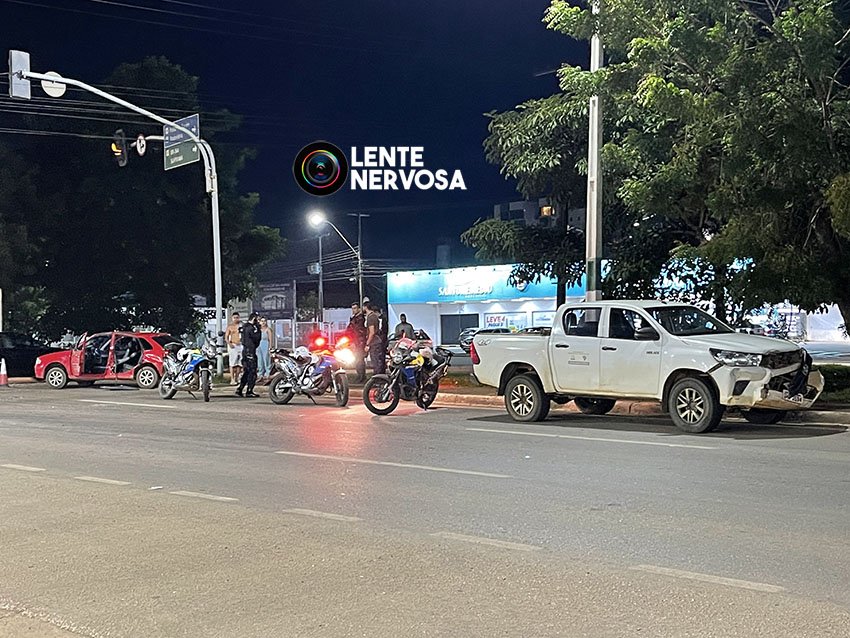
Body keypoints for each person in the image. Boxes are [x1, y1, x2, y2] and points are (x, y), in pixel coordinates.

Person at [237, 312, 261, 398]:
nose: (258, 322)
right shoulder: (252, 328)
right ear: (254, 319)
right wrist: (258, 328)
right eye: (257, 319)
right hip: (250, 351)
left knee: (246, 371)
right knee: (252, 371)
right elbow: (256, 338)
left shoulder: (244, 327)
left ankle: (240, 388)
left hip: (245, 350)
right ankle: (249, 390)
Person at [347, 302, 368, 383]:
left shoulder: (360, 318)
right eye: (352, 308)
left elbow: (357, 329)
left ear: (359, 309)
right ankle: (360, 376)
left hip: (360, 342)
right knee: (357, 360)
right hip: (355, 341)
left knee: (359, 360)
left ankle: (361, 376)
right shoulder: (354, 318)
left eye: (355, 308)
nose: (353, 310)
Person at [365, 302, 386, 376]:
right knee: (377, 361)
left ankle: (377, 379)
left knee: (375, 361)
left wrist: (367, 344)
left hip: (374, 342)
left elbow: (372, 332)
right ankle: (378, 377)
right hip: (377, 341)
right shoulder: (375, 316)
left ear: (365, 307)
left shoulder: (370, 317)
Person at [224, 312, 243, 385]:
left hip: (240, 345)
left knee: (240, 363)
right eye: (234, 318)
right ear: (232, 318)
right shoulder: (230, 327)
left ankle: (237, 377)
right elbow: (226, 337)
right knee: (232, 363)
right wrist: (229, 344)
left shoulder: (241, 326)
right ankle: (232, 379)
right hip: (233, 345)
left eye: (237, 317)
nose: (236, 319)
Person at [257, 317, 274, 384]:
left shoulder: (268, 330)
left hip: (266, 344)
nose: (263, 322)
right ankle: (260, 374)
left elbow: (270, 340)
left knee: (266, 359)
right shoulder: (258, 330)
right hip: (259, 345)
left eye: (264, 321)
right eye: (262, 321)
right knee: (260, 360)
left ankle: (267, 374)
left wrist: (270, 347)